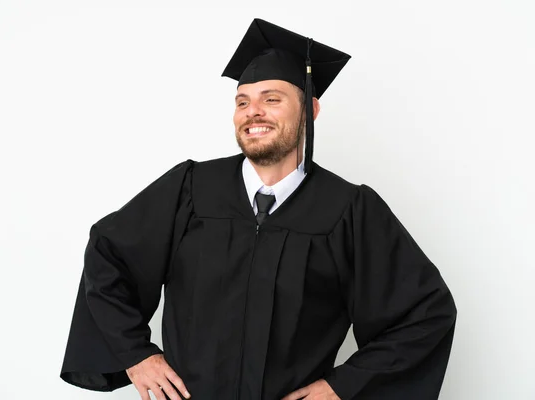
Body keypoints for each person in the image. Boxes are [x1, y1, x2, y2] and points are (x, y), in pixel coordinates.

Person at [60, 18, 457, 400]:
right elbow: (108, 255)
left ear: (310, 111)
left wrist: (344, 387)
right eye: (242, 101)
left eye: (272, 99)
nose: (253, 112)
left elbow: (425, 312)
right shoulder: (191, 189)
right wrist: (137, 355)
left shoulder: (348, 209)